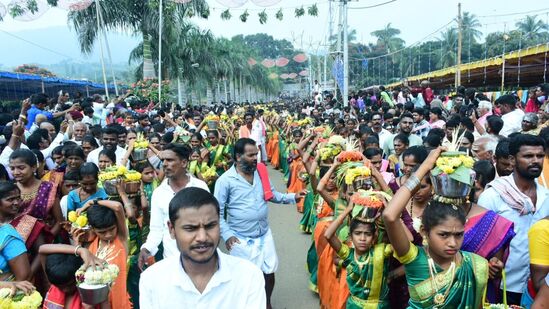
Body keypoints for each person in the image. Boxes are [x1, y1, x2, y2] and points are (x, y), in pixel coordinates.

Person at [383, 147, 488, 308]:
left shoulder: (475, 265)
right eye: (443, 235)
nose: (453, 243)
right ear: (424, 231)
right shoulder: (414, 258)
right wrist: (425, 166)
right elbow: (390, 216)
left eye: (459, 235)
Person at [214, 138, 306, 309]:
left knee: (269, 272)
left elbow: (272, 195)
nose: (255, 158)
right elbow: (216, 213)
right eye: (251, 155)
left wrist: (293, 197)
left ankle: (266, 302)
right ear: (238, 157)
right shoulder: (225, 181)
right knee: (244, 278)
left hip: (263, 234)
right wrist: (227, 235)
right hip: (239, 238)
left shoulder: (261, 172)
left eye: (256, 154)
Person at [139, 187, 266, 308]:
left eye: (210, 226)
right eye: (190, 228)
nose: (202, 237)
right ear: (171, 229)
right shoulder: (152, 280)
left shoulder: (249, 276)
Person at [478, 134, 549, 304]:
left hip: (537, 288)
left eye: (539, 156)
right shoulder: (493, 195)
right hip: (501, 284)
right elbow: (480, 243)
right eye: (528, 156)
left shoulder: (546, 195)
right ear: (512, 159)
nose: (535, 161)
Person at [138, 143, 209, 269]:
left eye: (170, 160)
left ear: (184, 163)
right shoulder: (159, 193)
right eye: (163, 160)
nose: (165, 164)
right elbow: (156, 229)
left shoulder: (200, 187)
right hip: (171, 260)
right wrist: (147, 249)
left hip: (201, 257)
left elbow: (210, 222)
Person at [76, 199, 132, 309]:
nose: (108, 235)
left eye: (112, 229)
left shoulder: (121, 238)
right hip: (97, 302)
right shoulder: (91, 246)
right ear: (93, 229)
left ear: (117, 225)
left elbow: (118, 207)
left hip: (118, 301)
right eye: (102, 232)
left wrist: (92, 202)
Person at [40, 244, 109, 308]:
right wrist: (80, 250)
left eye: (70, 285)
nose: (66, 289)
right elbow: (41, 249)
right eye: (60, 287)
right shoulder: (55, 280)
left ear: (80, 275)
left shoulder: (93, 293)